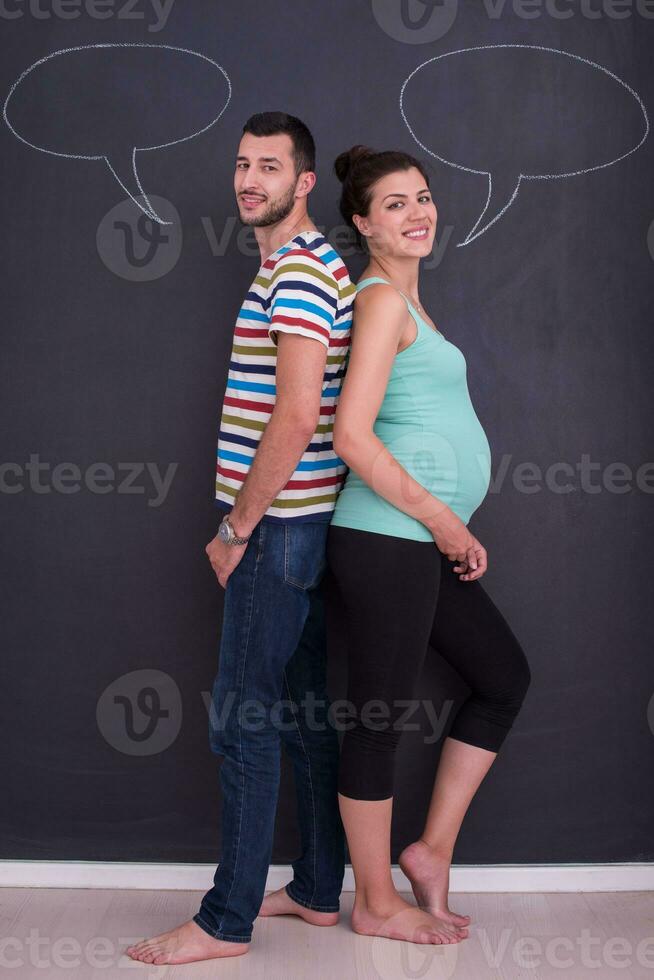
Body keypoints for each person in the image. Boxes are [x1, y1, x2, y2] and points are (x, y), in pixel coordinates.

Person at [126, 112, 354, 966]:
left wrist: (236, 529)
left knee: (243, 722)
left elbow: (297, 416)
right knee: (298, 715)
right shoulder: (302, 267)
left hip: (275, 531)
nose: (248, 179)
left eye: (269, 167)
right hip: (300, 528)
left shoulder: (295, 272)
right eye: (241, 164)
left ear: (304, 184)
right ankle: (319, 889)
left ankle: (225, 921)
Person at [325, 145, 532, 946]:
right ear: (363, 222)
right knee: (378, 717)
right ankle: (374, 902)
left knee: (503, 679)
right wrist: (447, 522)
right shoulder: (379, 300)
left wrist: (443, 524)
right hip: (386, 538)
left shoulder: (409, 304)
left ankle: (430, 851)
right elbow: (351, 435)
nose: (418, 212)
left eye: (423, 198)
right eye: (396, 204)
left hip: (415, 540)